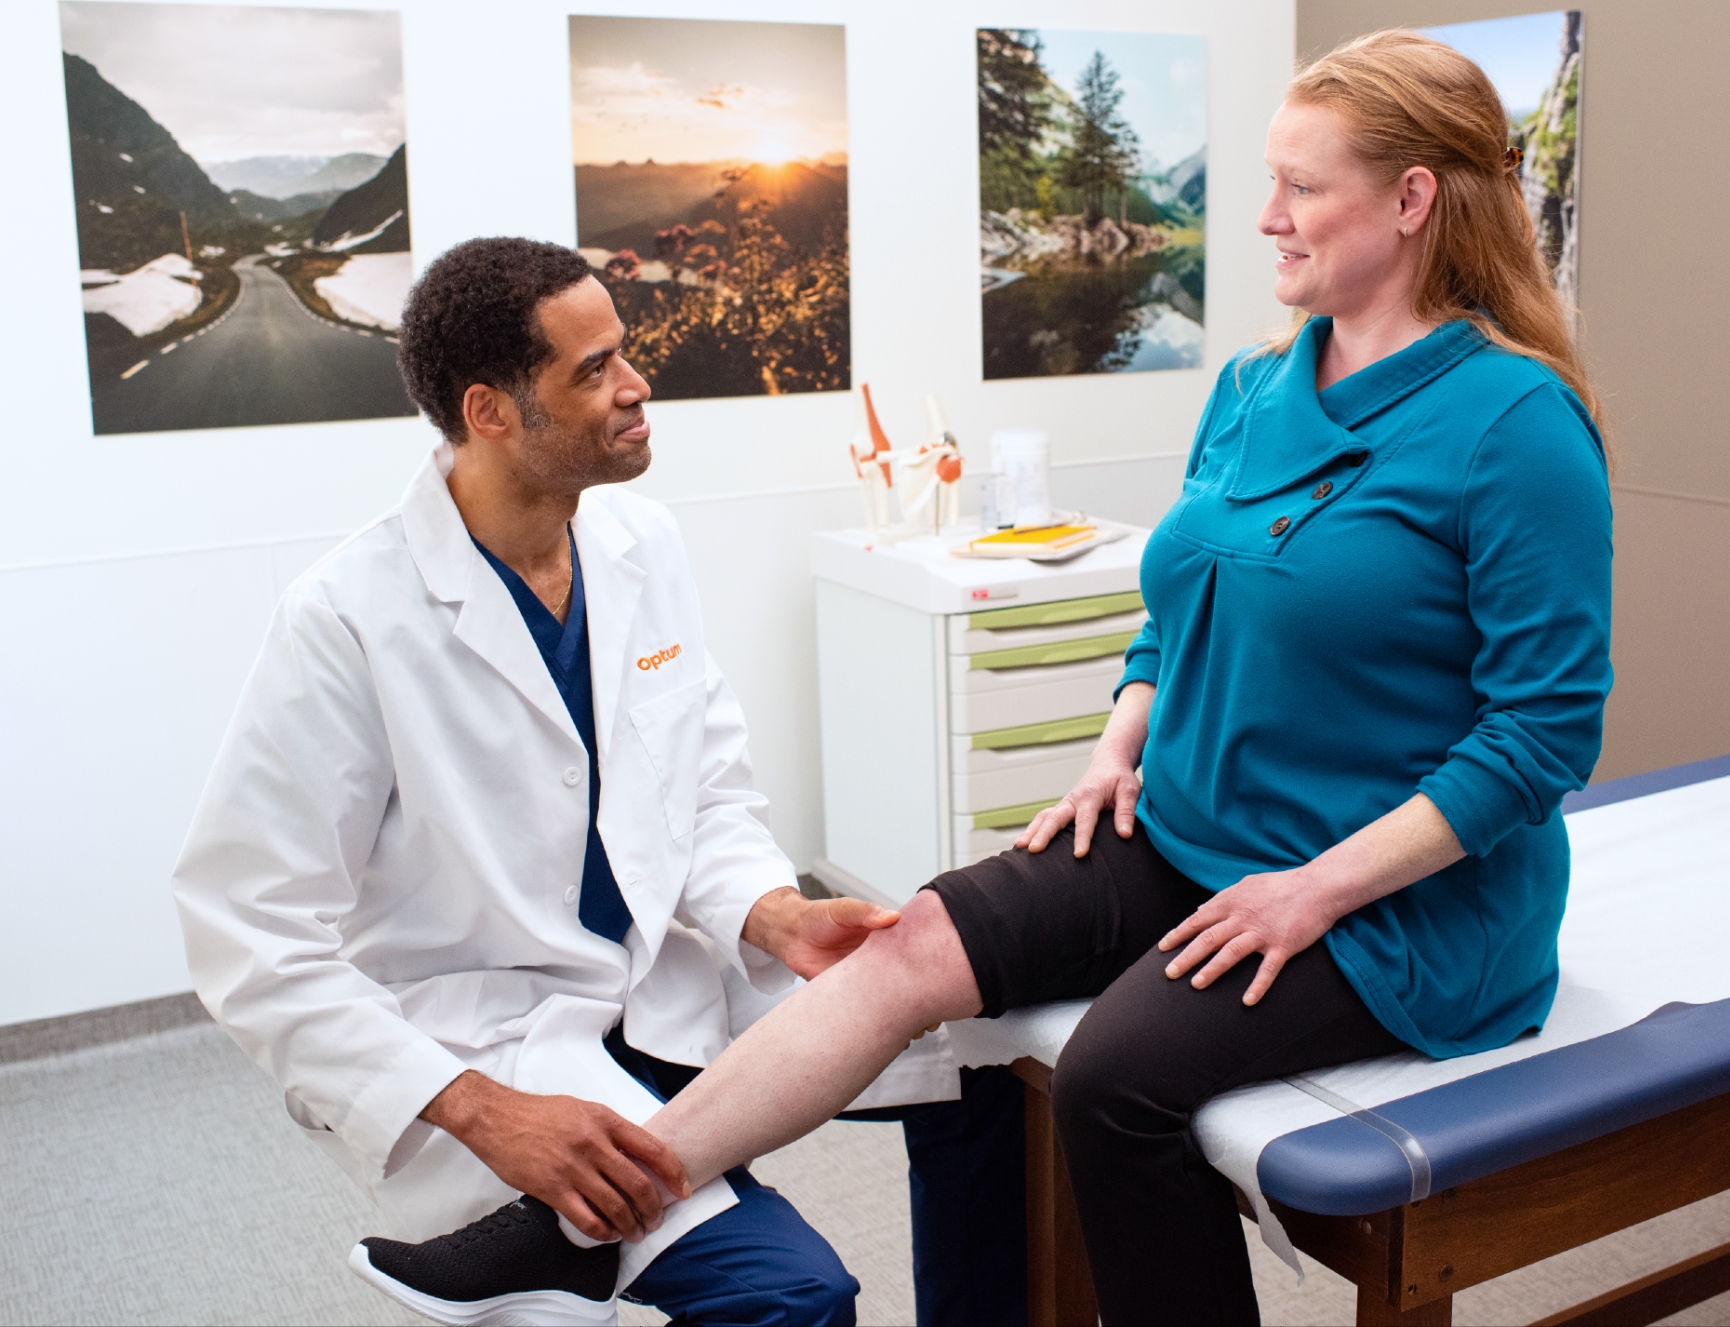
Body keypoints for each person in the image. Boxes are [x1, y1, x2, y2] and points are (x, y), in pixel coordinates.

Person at [373, 26, 1613, 1325]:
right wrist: (1117, 746)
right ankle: (599, 1216)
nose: (1263, 217)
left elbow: (1543, 733)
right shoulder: (1257, 385)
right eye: (1269, 179)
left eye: (1302, 186)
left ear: (1412, 200)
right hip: (1192, 828)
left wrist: (1309, 891)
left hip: (1397, 903)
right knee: (913, 939)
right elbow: (1183, 608)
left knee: (1112, 1080)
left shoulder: (1514, 425)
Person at [171, 236, 1024, 1327]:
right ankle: (538, 1236)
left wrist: (775, 916)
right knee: (794, 1298)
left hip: (675, 983)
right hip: (500, 1043)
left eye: (624, 351)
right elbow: (249, 933)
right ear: (490, 412)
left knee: (986, 1061)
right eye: (593, 370)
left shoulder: (639, 542)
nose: (636, 387)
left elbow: (705, 788)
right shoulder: (347, 618)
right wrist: (487, 1110)